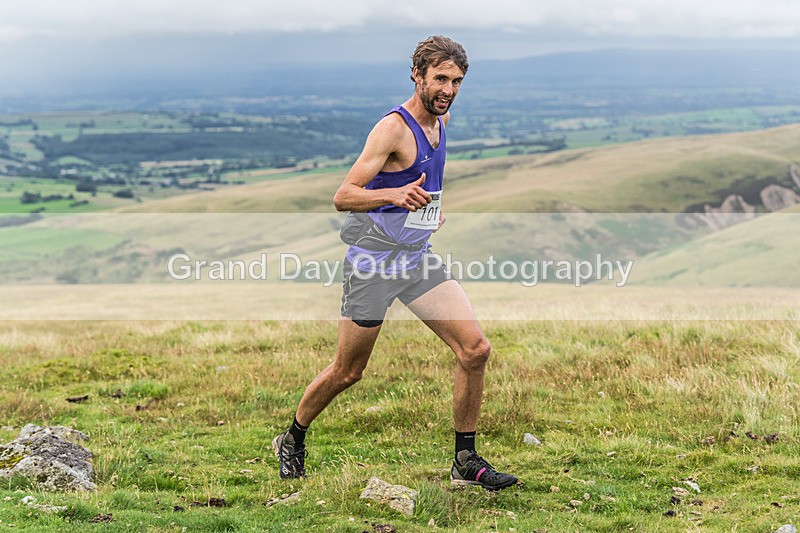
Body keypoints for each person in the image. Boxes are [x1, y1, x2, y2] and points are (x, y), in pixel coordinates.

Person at [273, 35, 517, 491]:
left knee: (475, 350)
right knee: (349, 371)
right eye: (440, 78)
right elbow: (343, 196)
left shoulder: (442, 122)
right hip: (373, 265)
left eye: (457, 81)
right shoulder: (392, 128)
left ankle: (464, 459)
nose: (448, 89)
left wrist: (427, 215)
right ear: (417, 75)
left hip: (416, 260)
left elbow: (420, 186)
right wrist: (395, 195)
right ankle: (293, 436)